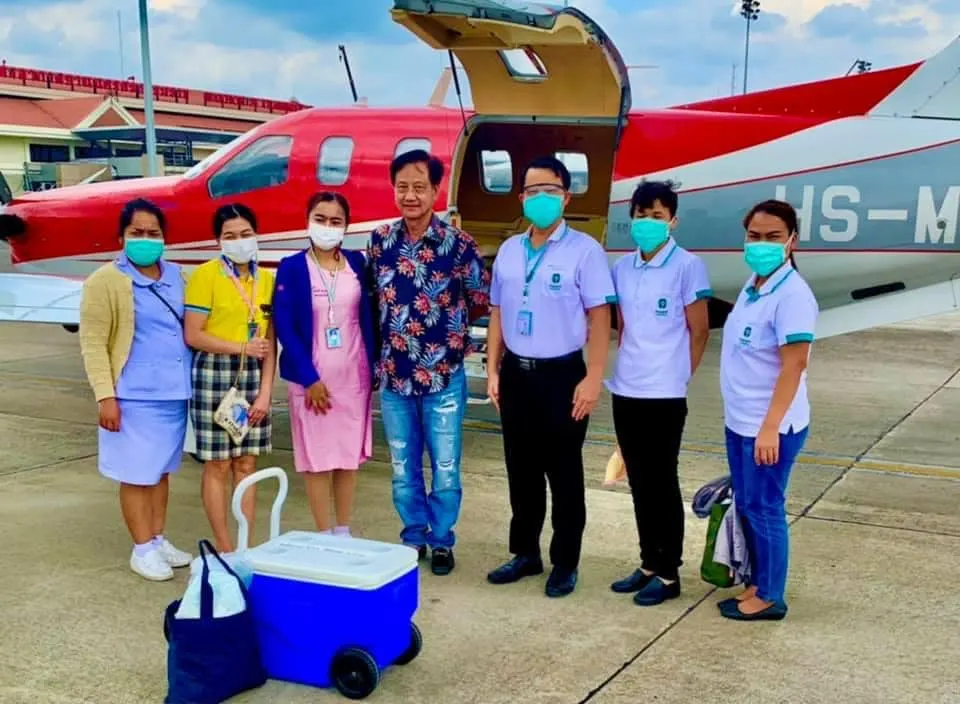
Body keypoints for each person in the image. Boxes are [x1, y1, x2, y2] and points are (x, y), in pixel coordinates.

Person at [485, 155, 616, 598]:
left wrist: (593, 377)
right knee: (521, 470)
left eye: (550, 190)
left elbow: (600, 318)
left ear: (566, 197)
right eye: (533, 191)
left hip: (563, 375)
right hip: (516, 374)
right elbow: (497, 312)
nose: (541, 198)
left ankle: (565, 561)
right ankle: (525, 553)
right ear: (521, 197)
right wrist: (492, 369)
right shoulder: (509, 250)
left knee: (563, 473)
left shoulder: (585, 251)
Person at [368, 149, 490, 576]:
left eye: (419, 187)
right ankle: (413, 535)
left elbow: (479, 300)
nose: (411, 195)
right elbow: (373, 302)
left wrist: (447, 336)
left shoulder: (459, 245)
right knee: (403, 467)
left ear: (436, 190)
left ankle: (441, 540)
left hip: (443, 376)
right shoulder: (380, 241)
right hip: (395, 378)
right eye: (402, 187)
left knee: (445, 466)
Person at [607, 181, 712, 606]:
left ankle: (669, 573)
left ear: (673, 220)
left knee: (662, 481)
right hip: (626, 388)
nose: (648, 222)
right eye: (641, 215)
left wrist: (678, 376)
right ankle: (649, 562)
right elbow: (623, 327)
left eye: (657, 215)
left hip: (665, 393)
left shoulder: (688, 266)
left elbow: (699, 330)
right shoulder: (623, 268)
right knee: (639, 480)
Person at [78, 198, 193, 581]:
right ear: (121, 237)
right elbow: (93, 344)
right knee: (136, 474)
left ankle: (157, 537)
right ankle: (141, 548)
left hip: (174, 393)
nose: (145, 239)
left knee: (160, 471)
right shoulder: (105, 281)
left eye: (153, 233)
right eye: (137, 232)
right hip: (133, 395)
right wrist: (105, 396)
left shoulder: (178, 276)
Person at [717, 199, 818, 621]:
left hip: (769, 426)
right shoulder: (754, 284)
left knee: (765, 508)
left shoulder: (793, 295)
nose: (761, 244)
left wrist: (770, 427)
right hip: (741, 421)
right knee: (748, 504)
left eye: (773, 237)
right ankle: (757, 581)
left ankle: (771, 596)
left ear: (792, 241)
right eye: (754, 236)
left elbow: (794, 365)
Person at [273, 192, 379, 536]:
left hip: (354, 377)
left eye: (336, 221)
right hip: (313, 381)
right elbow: (285, 326)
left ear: (346, 227)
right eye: (320, 219)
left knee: (347, 458)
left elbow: (371, 315)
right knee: (317, 459)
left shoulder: (357, 264)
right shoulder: (292, 267)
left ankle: (343, 530)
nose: (327, 227)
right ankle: (323, 533)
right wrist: (309, 378)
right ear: (308, 221)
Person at [184, 203, 277, 554]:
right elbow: (193, 334)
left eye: (245, 234)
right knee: (218, 464)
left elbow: (270, 342)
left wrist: (266, 392)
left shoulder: (266, 280)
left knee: (247, 462)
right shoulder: (205, 276)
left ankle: (244, 545)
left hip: (253, 374)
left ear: (256, 235)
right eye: (230, 236)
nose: (239, 241)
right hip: (214, 373)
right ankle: (225, 547)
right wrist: (240, 347)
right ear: (219, 241)